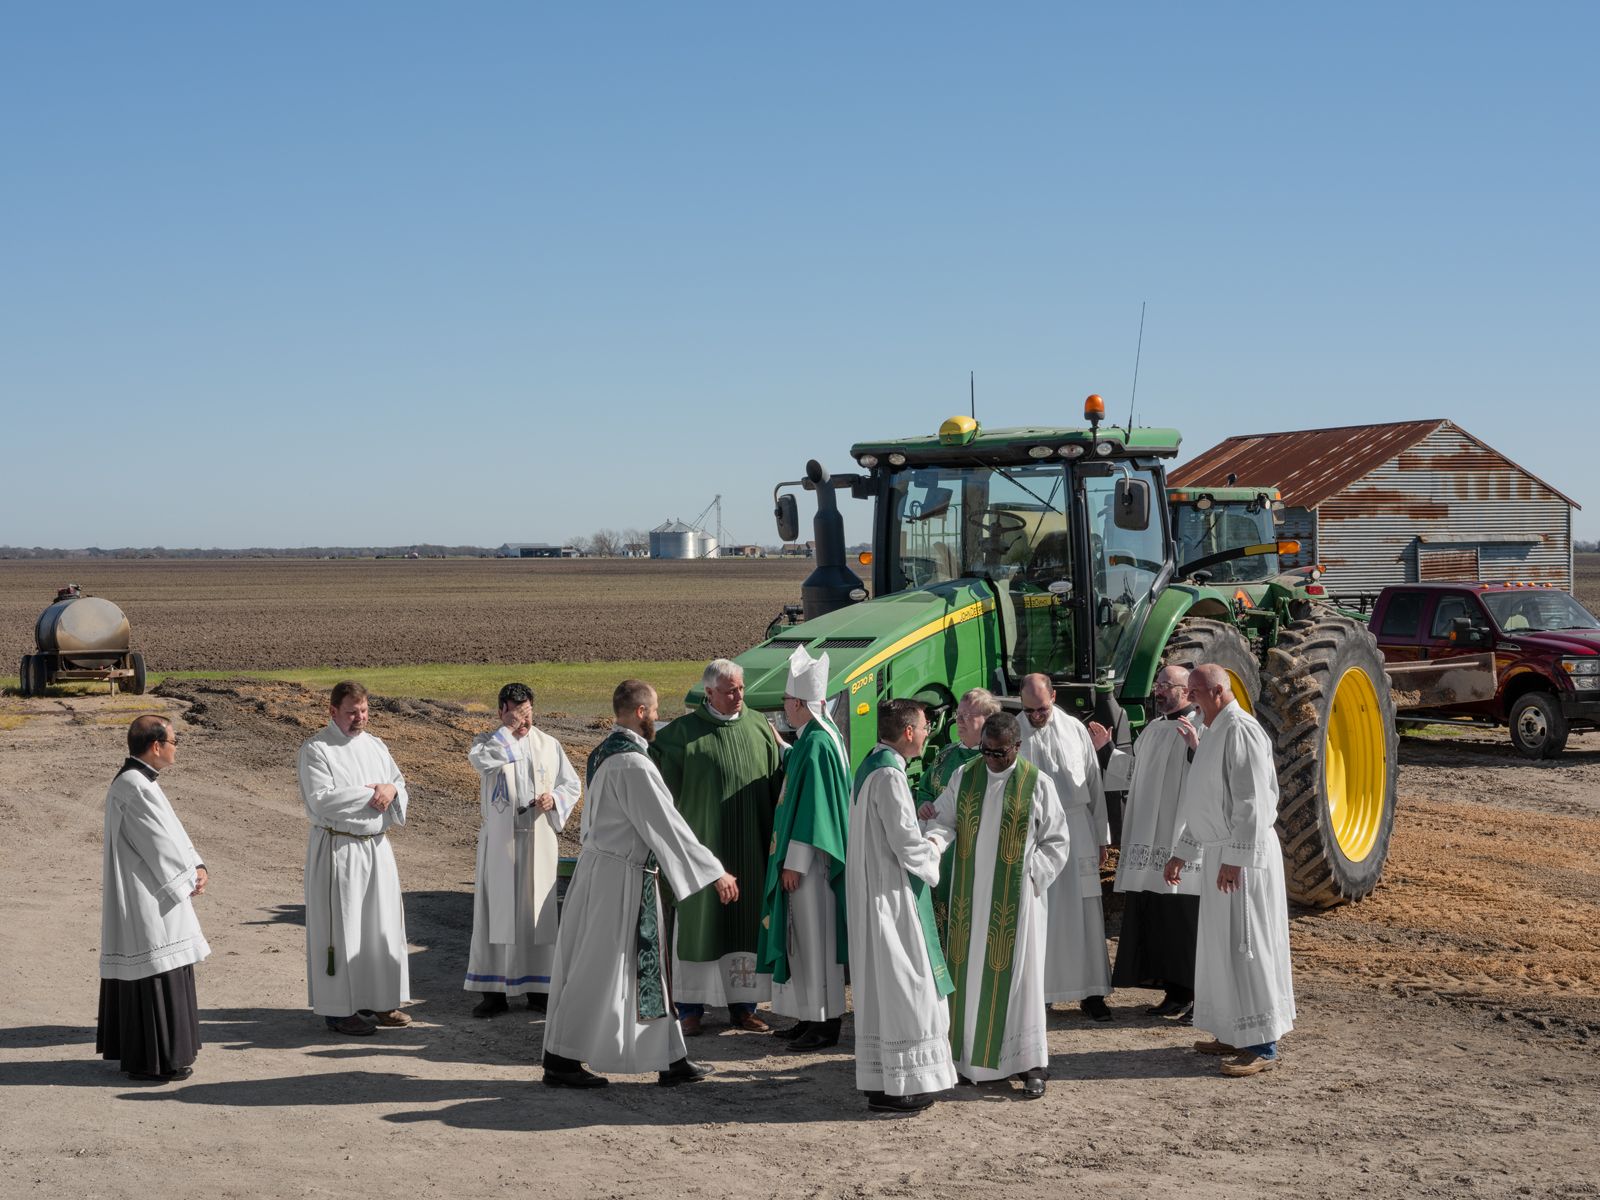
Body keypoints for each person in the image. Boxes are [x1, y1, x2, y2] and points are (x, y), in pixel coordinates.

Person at [541, 680, 737, 1088]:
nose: (657, 718)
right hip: (618, 878)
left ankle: (671, 1057)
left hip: (612, 871)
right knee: (598, 968)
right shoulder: (632, 763)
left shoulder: (603, 751)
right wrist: (715, 870)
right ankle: (561, 1058)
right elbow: (666, 824)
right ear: (642, 713)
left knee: (649, 971)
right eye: (655, 710)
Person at [924, 712, 1070, 1099]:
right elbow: (944, 819)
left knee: (1020, 981)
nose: (990, 759)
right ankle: (963, 1059)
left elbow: (1057, 841)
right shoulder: (965, 776)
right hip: (968, 899)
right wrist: (934, 839)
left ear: (1017, 747)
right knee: (968, 977)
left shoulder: (1037, 784)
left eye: (998, 753)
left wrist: (1030, 874)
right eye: (985, 751)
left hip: (1016, 903)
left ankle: (1029, 1063)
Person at [1164, 664, 1297, 1077]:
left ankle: (1262, 1043)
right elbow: (1203, 800)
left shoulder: (1241, 729)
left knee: (1248, 944)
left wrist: (1236, 858)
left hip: (1244, 860)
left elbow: (1253, 801)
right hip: (1221, 854)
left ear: (1219, 690)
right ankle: (1232, 1030)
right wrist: (1182, 851)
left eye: (1196, 691)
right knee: (1221, 949)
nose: (1190, 699)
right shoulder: (1214, 729)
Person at [650, 658, 784, 1035]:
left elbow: (779, 786)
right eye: (729, 690)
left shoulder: (759, 727)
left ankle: (744, 1008)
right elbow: (659, 794)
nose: (738, 695)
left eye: (741, 688)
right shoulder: (680, 737)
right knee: (701, 926)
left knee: (746, 926)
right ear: (708, 693)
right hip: (702, 850)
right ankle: (690, 1008)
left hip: (751, 849)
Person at [847, 698, 958, 1115]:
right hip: (890, 896)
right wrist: (935, 842)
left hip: (871, 892)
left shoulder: (870, 765)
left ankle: (881, 1081)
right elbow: (906, 844)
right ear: (908, 732)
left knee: (883, 988)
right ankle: (905, 1084)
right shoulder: (891, 776)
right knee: (907, 988)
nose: (929, 732)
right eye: (926, 726)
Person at [97, 715, 209, 1082]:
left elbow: (171, 832)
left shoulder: (140, 781)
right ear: (156, 745)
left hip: (153, 889)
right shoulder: (134, 786)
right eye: (175, 741)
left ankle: (162, 1056)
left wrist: (197, 863)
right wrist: (188, 876)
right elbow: (159, 845)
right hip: (150, 896)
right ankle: (153, 1060)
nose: (177, 747)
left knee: (161, 970)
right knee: (157, 971)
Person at [298, 681, 412, 1036]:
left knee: (380, 927)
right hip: (340, 849)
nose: (359, 718)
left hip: (376, 847)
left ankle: (380, 1001)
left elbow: (398, 783)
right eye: (351, 712)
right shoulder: (317, 749)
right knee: (343, 929)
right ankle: (339, 1009)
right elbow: (321, 799)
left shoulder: (376, 745)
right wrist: (372, 794)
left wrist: (391, 790)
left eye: (364, 711)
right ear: (332, 711)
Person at [464, 682, 582, 1016]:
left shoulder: (548, 744)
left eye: (527, 712)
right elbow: (481, 763)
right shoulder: (486, 743)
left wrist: (554, 798)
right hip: (500, 840)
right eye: (516, 713)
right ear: (501, 709)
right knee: (495, 913)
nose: (524, 720)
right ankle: (493, 991)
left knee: (537, 912)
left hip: (538, 837)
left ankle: (539, 987)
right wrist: (510, 730)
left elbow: (570, 784)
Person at [758, 647, 850, 1052]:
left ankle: (825, 1023)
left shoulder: (816, 744)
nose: (784, 709)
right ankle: (808, 1015)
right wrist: (785, 747)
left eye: (786, 703)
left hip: (811, 866)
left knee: (814, 943)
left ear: (798, 703)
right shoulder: (818, 736)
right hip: (813, 863)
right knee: (804, 943)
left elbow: (815, 809)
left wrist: (794, 862)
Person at [1017, 672, 1114, 1021]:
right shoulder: (1014, 732)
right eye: (1029, 711)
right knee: (1043, 912)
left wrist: (1101, 836)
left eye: (1041, 709)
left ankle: (1092, 992)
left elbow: (1093, 781)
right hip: (1035, 832)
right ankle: (1041, 993)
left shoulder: (1075, 729)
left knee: (1085, 914)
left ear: (1054, 697)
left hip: (1076, 827)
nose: (1036, 717)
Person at [1109, 665, 1204, 1019]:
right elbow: (1136, 773)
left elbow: (1212, 773)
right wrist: (1106, 751)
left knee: (1184, 920)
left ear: (1186, 690)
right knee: (1160, 916)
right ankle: (1175, 991)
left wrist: (1195, 749)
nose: (1159, 691)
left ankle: (1197, 994)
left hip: (1181, 838)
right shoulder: (1153, 728)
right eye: (1158, 685)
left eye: (1167, 685)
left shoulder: (1201, 725)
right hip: (1150, 838)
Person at [914, 688, 1000, 948]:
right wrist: (924, 804)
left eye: (967, 716)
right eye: (958, 715)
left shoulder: (993, 762)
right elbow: (925, 788)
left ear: (988, 720)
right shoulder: (946, 755)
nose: (959, 721)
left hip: (973, 851)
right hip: (942, 854)